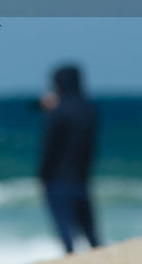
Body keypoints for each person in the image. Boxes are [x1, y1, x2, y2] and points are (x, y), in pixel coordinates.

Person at [37, 64, 101, 254]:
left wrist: (42, 174)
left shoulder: (59, 112)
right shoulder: (88, 110)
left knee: (64, 228)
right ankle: (99, 256)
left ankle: (70, 257)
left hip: (58, 178)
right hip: (82, 176)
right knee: (89, 228)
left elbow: (49, 148)